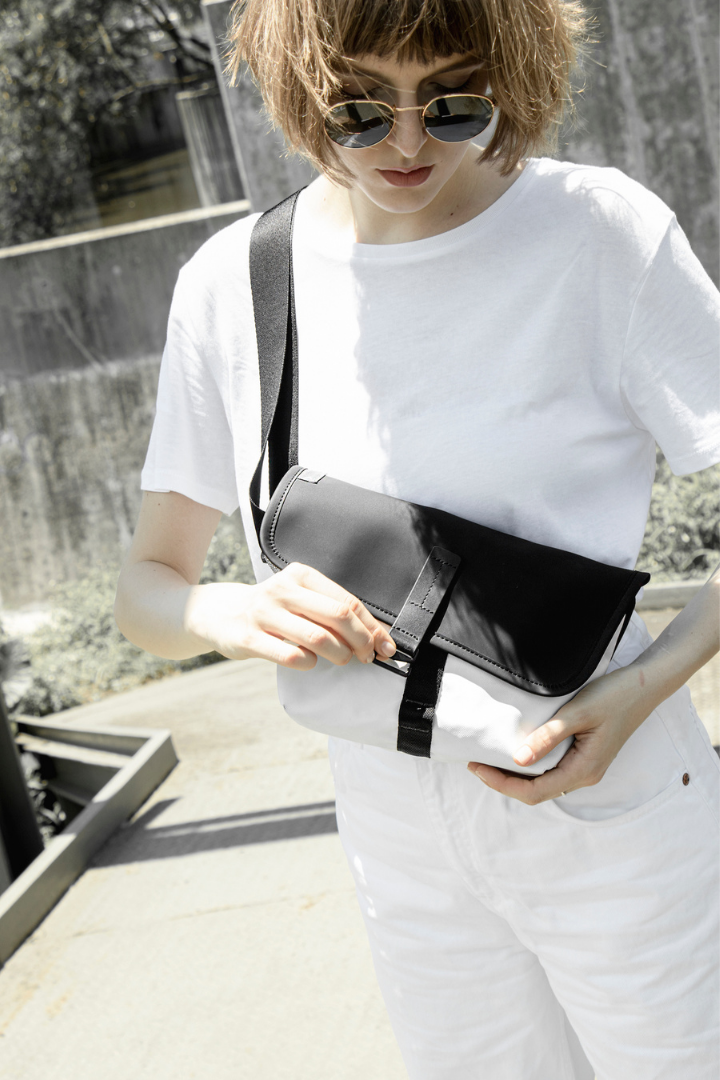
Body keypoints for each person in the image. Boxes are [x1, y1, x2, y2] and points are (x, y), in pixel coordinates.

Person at [115, 0, 720, 1074]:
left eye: (452, 102)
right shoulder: (235, 284)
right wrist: (232, 611)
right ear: (297, 85)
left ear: (511, 72)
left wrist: (641, 692)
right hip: (391, 823)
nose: (405, 142)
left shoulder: (596, 234)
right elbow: (147, 592)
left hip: (607, 792)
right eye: (357, 108)